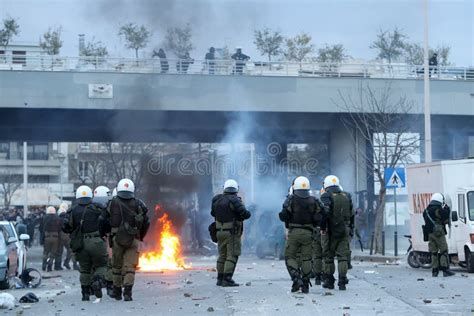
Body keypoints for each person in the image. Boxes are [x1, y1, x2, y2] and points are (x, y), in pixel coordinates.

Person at [63, 185, 108, 301]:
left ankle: (85, 293)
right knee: (102, 265)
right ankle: (98, 281)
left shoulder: (73, 211)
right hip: (97, 241)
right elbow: (106, 223)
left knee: (84, 269)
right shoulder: (98, 208)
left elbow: (66, 228)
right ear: (90, 196)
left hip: (81, 243)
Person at [279, 176, 323, 293]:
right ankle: (305, 284)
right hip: (309, 233)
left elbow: (283, 215)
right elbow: (323, 213)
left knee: (290, 257)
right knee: (307, 259)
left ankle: (296, 278)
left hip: (294, 233)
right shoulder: (314, 200)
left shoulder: (291, 200)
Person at [108, 179, 150, 301]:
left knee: (116, 265)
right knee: (130, 266)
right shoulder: (138, 204)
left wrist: (105, 233)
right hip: (133, 238)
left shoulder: (112, 203)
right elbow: (146, 222)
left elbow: (102, 220)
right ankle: (128, 292)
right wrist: (141, 236)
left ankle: (117, 291)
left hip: (117, 239)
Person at [211, 179, 251, 287]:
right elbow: (246, 214)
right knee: (232, 255)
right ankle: (227, 279)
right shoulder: (235, 200)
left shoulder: (217, 200)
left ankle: (220, 279)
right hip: (231, 233)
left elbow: (212, 213)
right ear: (236, 189)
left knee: (222, 255)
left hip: (219, 232)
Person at [320, 175, 354, 291]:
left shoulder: (326, 195)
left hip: (330, 231)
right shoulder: (347, 195)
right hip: (344, 229)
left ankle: (329, 281)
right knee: (342, 257)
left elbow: (325, 213)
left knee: (328, 257)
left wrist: (323, 227)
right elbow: (352, 214)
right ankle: (342, 281)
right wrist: (351, 229)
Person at [423, 193, 455, 277]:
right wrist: (447, 208)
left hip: (429, 234)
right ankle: (445, 270)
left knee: (434, 252)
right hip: (438, 233)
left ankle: (434, 271)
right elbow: (444, 216)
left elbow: (427, 220)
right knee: (444, 250)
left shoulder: (426, 210)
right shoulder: (438, 209)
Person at [92, 185, 114, 297]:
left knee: (94, 264)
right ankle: (108, 285)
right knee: (108, 264)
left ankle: (94, 284)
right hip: (105, 238)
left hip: (90, 239)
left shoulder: (88, 207)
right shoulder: (108, 208)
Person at [42, 206, 61, 272]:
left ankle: (44, 263)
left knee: (45, 252)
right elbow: (60, 229)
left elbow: (41, 229)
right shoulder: (57, 218)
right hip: (55, 237)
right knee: (53, 253)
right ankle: (49, 266)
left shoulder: (44, 218)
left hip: (47, 237)